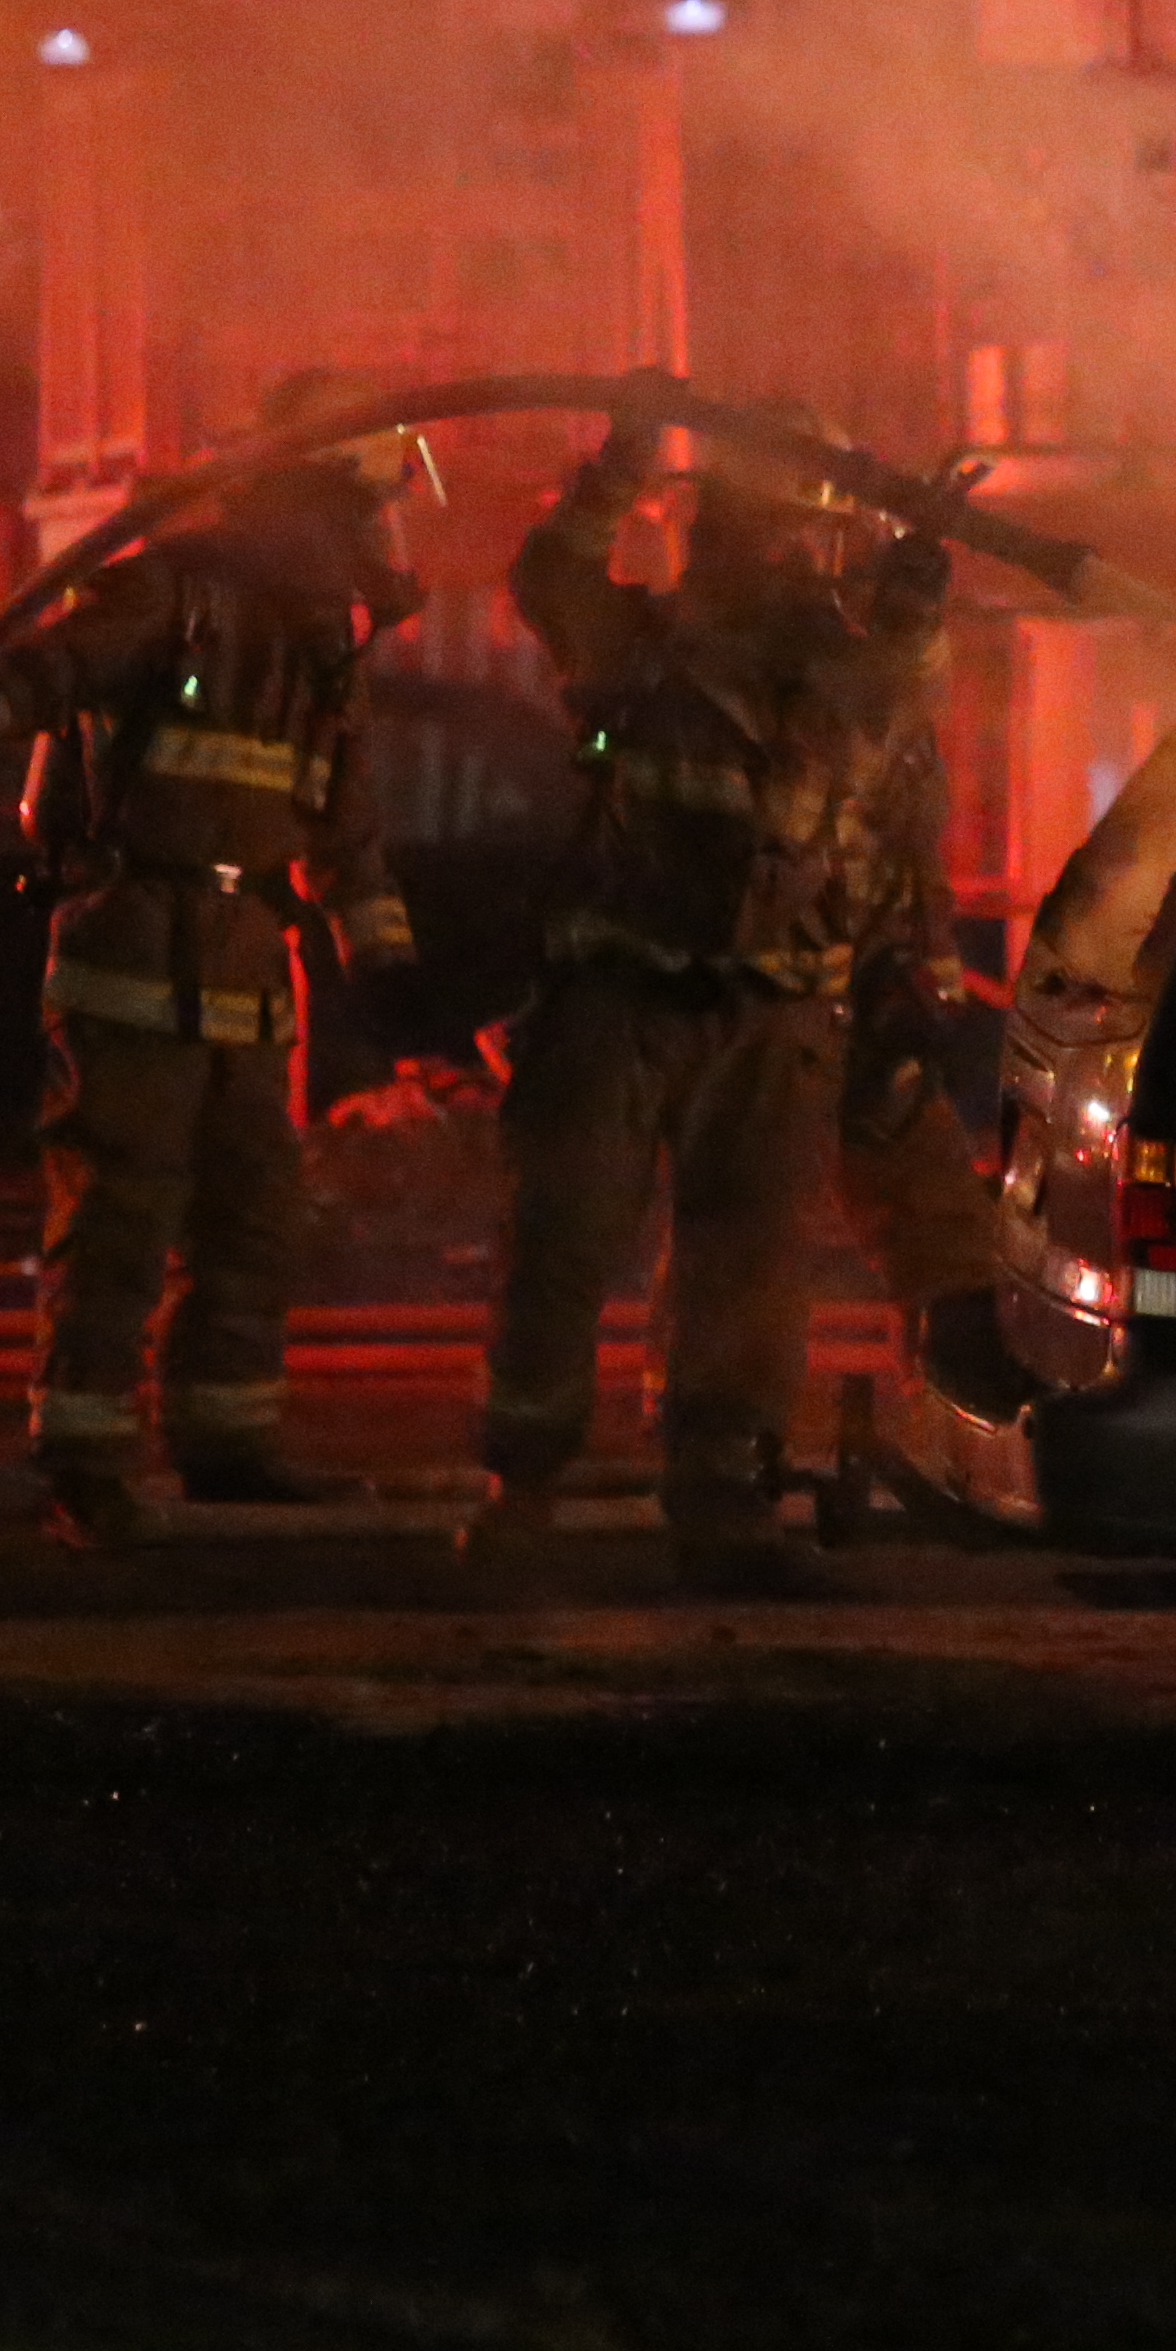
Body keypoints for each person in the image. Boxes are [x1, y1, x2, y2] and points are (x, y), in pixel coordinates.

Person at [0, 372, 423, 1548]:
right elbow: (52, 668)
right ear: (314, 504)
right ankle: (83, 1461)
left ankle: (227, 1442)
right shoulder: (173, 595)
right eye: (364, 510)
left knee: (253, 1216)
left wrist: (383, 958)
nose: (379, 540)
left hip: (246, 963)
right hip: (133, 950)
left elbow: (342, 817)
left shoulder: (318, 647)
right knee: (123, 1214)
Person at [472, 407, 975, 1592]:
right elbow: (548, 575)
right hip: (620, 997)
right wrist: (618, 464)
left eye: (805, 545)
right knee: (563, 1242)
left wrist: (919, 584)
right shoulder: (636, 645)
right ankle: (520, 1493)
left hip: (782, 1018)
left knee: (747, 1272)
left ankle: (719, 1500)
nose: (788, 564)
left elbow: (901, 836)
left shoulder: (862, 682)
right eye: (770, 537)